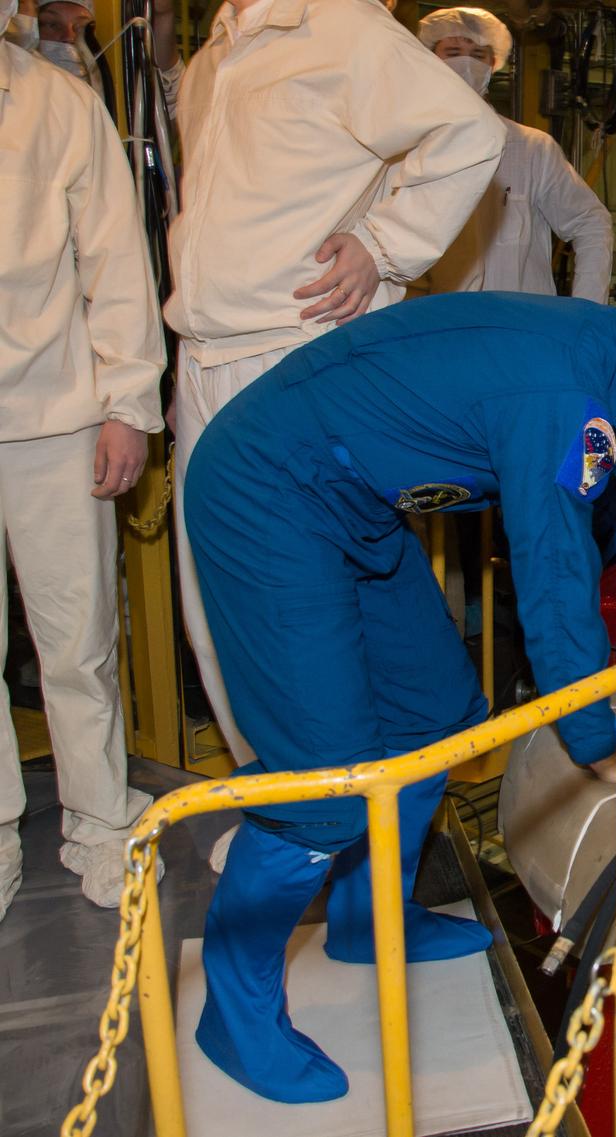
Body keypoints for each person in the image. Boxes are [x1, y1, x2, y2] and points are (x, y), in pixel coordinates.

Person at [182, 271, 616, 1102]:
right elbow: (555, 583)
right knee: (323, 790)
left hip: (350, 501)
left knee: (434, 712)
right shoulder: (561, 393)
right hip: (267, 490)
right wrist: (604, 743)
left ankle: (368, 919)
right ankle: (233, 1015)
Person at [160, 0, 505, 768]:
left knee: (304, 616)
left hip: (289, 354)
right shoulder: (215, 56)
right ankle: (273, 797)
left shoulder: (340, 25)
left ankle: (335, 807)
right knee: (214, 613)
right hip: (204, 355)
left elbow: (470, 132)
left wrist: (383, 245)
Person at [0, 26, 166, 920]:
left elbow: (116, 259)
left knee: (78, 640)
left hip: (55, 416)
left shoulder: (59, 104)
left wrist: (127, 403)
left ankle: (101, 820)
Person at [418, 6, 613, 303]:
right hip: (435, 323)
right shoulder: (407, 149)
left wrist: (586, 310)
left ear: (493, 63)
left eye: (478, 54)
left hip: (520, 322)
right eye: (453, 52)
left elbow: (590, 222)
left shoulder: (531, 149)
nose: (466, 64)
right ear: (431, 60)